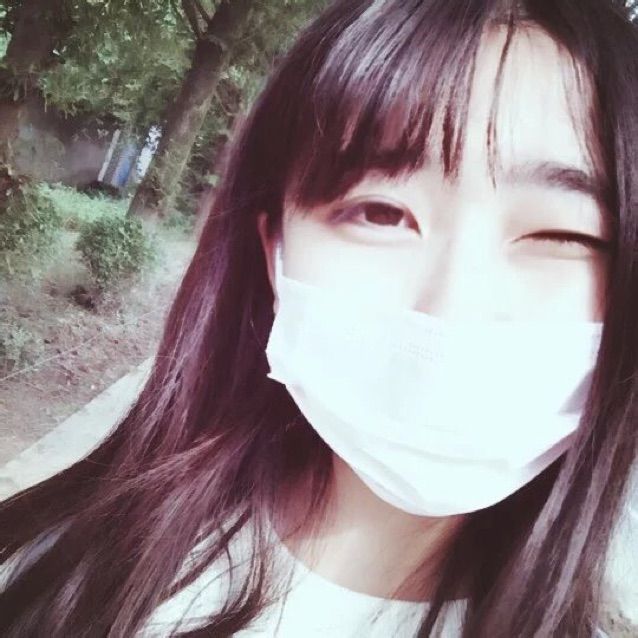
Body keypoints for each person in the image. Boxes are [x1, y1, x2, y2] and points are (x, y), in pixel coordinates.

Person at [1, 0, 637, 636]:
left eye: (562, 234)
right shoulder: (58, 578)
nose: (454, 310)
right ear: (275, 256)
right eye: (381, 213)